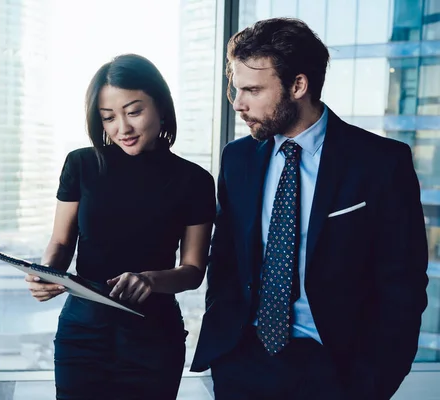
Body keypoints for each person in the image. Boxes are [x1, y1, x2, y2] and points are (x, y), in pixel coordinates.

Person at [191, 18, 429, 400]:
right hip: (243, 362)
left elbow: (403, 286)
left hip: (337, 370)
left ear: (298, 85)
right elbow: (225, 263)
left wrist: (371, 384)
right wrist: (227, 355)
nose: (238, 103)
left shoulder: (381, 163)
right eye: (237, 89)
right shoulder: (237, 159)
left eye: (252, 89)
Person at [25, 53, 216, 400]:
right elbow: (61, 242)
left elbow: (192, 271)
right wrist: (47, 273)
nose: (121, 128)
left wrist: (150, 279)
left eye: (134, 111)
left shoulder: (195, 180)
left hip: (154, 335)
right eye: (109, 117)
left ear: (161, 107)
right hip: (81, 331)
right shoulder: (81, 164)